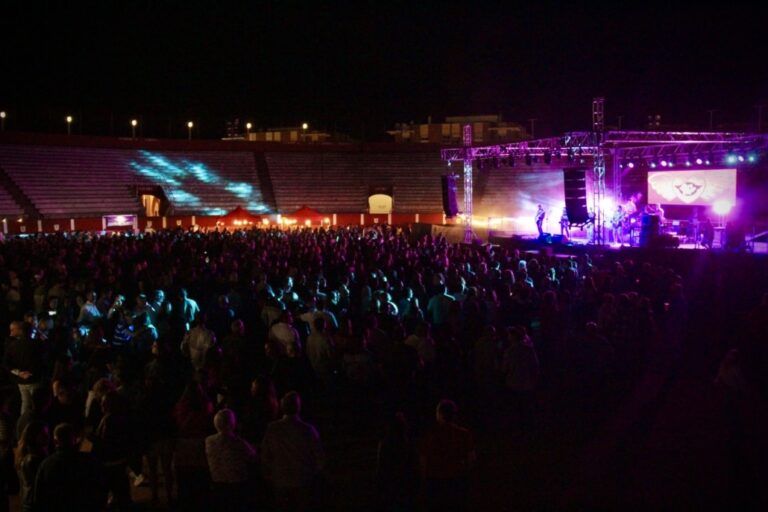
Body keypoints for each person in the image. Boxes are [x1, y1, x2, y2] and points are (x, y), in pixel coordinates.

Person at [261, 392, 324, 511]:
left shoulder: (272, 429)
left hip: (280, 479)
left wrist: (269, 474)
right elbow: (319, 457)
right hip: (303, 479)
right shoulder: (308, 429)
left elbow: (265, 455)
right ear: (299, 407)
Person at [419, 399, 476, 512]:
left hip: (435, 483)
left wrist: (424, 482)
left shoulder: (430, 435)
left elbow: (423, 462)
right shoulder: (464, 434)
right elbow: (471, 460)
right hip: (456, 483)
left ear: (439, 414)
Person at [33, 423, 104, 512]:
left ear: (55, 441)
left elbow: (38, 497)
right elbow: (97, 489)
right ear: (74, 439)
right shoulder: (86, 461)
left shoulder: (46, 464)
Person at [205, 409, 257, 512]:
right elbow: (253, 456)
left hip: (217, 483)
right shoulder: (238, 442)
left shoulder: (209, 441)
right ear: (232, 423)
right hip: (237, 484)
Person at [4, 321, 43, 417]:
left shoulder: (13, 345)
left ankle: (23, 423)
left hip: (21, 380)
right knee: (37, 403)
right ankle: (35, 424)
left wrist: (19, 373)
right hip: (35, 378)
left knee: (25, 403)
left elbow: (6, 363)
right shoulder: (37, 344)